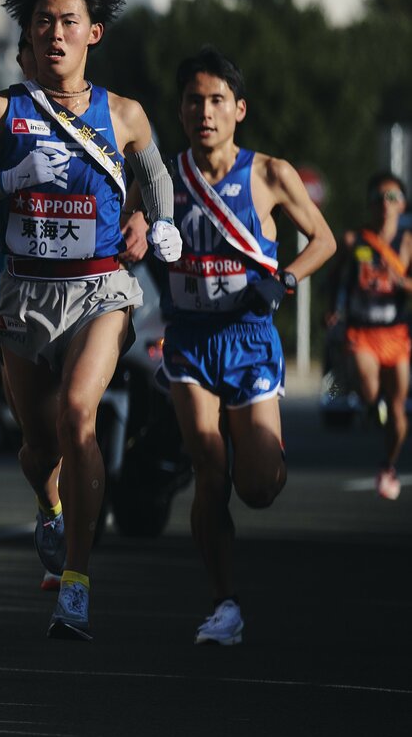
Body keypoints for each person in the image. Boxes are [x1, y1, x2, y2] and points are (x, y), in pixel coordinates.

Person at [0, 0, 181, 640]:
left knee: (80, 414)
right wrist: (5, 180)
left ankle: (77, 584)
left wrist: (153, 219)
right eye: (42, 22)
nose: (55, 34)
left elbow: (155, 177)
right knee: (39, 442)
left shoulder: (127, 113)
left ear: (94, 33)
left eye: (69, 21)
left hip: (99, 290)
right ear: (26, 34)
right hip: (24, 291)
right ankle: (48, 503)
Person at [162, 48, 335, 644]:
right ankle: (224, 605)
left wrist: (283, 278)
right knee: (208, 471)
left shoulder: (269, 174)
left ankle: (266, 448)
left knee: (255, 487)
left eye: (216, 101)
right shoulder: (164, 176)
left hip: (248, 338)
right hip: (187, 338)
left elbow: (324, 240)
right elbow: (132, 230)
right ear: (180, 109)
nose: (204, 112)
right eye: (193, 100)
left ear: (239, 109)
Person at [327, 172, 411, 501]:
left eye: (392, 198)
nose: (385, 205)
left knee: (399, 408)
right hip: (362, 332)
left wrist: (401, 283)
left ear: (402, 204)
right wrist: (332, 308)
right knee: (368, 386)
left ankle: (388, 465)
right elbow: (334, 278)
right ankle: (369, 403)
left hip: (396, 333)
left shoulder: (407, 243)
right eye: (378, 198)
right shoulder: (354, 241)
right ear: (369, 204)